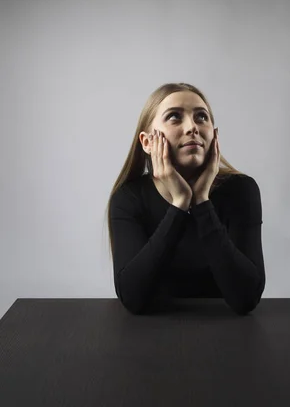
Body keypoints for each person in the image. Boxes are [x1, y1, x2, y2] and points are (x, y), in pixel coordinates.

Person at [106, 82, 265, 315]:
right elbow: (132, 298)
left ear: (214, 134)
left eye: (201, 117)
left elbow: (246, 299)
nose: (192, 127)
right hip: (151, 336)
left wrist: (201, 202)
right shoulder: (129, 198)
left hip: (227, 337)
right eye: (174, 117)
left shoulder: (241, 190)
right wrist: (180, 203)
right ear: (147, 142)